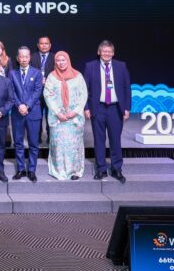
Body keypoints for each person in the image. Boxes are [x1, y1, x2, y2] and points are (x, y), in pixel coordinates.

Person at [83, 40, 131, 183]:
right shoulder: (90, 66)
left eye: (109, 51)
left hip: (115, 108)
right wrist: (86, 107)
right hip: (98, 108)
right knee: (99, 140)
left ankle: (117, 169)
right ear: (99, 52)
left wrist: (127, 108)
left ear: (113, 53)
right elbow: (85, 89)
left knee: (115, 139)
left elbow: (127, 88)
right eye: (104, 51)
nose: (107, 54)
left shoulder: (121, 66)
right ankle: (101, 169)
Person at [44, 51, 88, 180]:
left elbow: (83, 95)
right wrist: (58, 113)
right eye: (58, 60)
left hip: (74, 119)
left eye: (63, 60)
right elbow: (48, 95)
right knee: (59, 146)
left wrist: (75, 112)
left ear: (68, 61)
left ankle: (75, 171)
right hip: (58, 118)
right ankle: (59, 170)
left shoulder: (78, 76)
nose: (61, 63)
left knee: (74, 146)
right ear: (55, 62)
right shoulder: (52, 77)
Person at [8, 46, 43, 182]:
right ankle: (21, 169)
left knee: (34, 143)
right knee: (18, 143)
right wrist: (19, 105)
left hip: (33, 112)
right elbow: (11, 92)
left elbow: (37, 91)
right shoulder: (12, 73)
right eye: (21, 56)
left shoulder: (37, 73)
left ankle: (32, 170)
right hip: (17, 113)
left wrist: (27, 105)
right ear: (17, 58)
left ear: (30, 58)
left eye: (26, 56)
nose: (23, 59)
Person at [31, 36, 55, 144]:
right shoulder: (32, 57)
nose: (44, 45)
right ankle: (37, 137)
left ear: (50, 45)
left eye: (46, 43)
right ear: (38, 45)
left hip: (51, 92)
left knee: (51, 116)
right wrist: (37, 81)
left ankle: (51, 137)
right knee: (37, 116)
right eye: (42, 43)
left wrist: (48, 81)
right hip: (35, 92)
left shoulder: (55, 57)